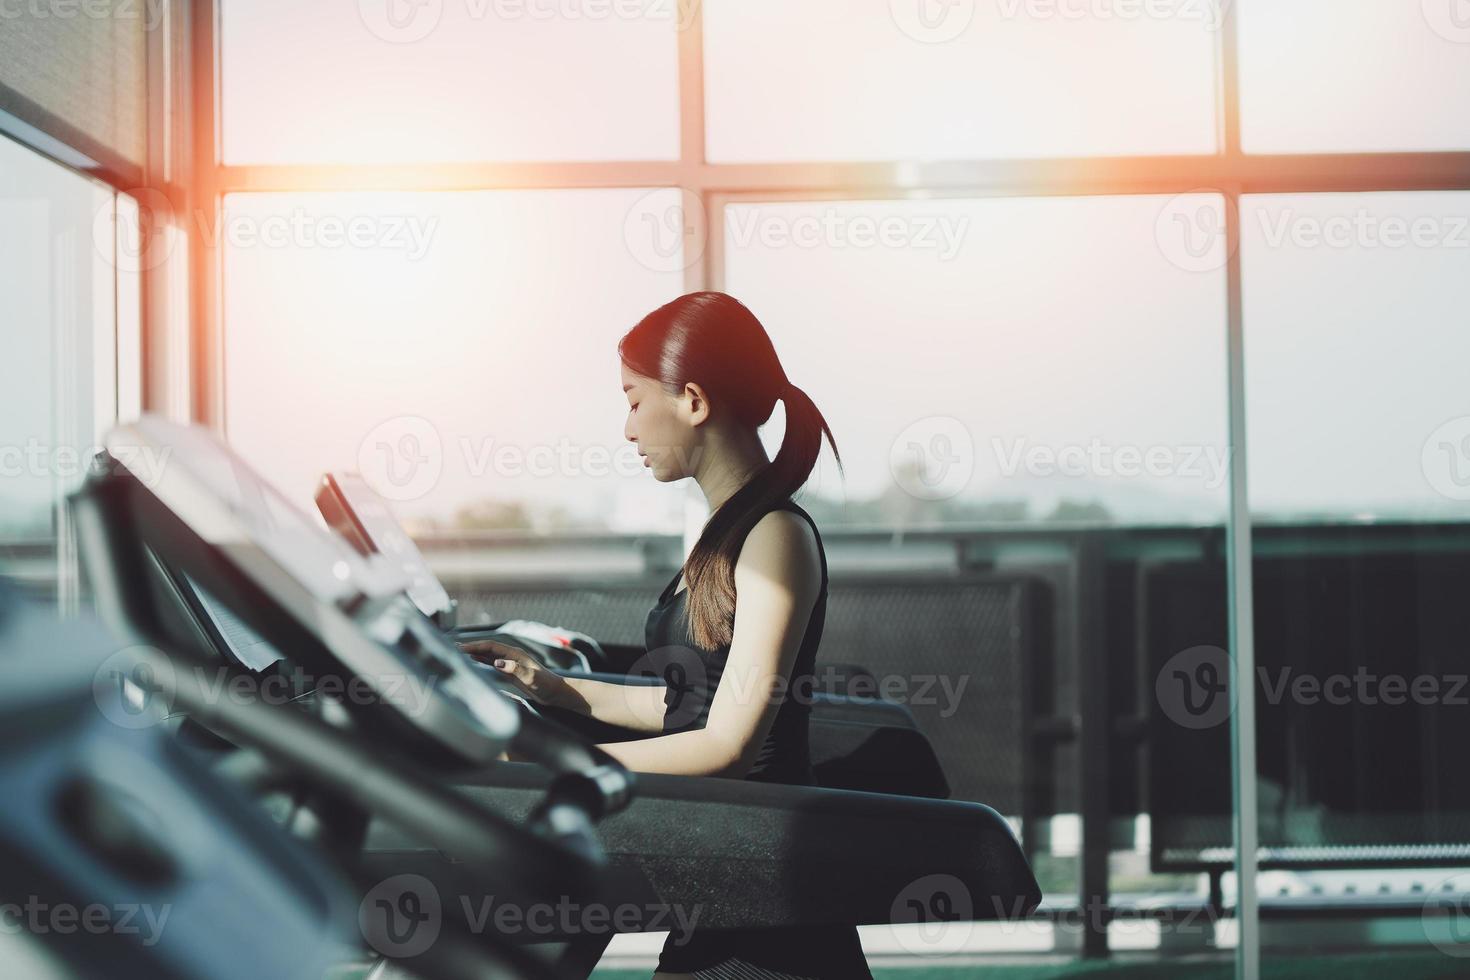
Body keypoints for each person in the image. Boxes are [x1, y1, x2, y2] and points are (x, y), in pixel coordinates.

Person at [461, 291, 873, 979]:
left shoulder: (774, 536)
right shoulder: (727, 537)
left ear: (692, 401)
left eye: (631, 399)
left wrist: (565, 775)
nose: (626, 429)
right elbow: (693, 704)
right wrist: (559, 690)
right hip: (720, 870)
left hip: (765, 902)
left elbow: (731, 744)